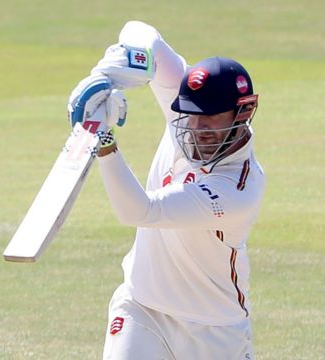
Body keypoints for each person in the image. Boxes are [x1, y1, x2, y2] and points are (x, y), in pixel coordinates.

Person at [68, 21, 265, 360]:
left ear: (244, 111)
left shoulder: (236, 189)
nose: (198, 128)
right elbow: (140, 32)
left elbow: (138, 212)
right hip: (141, 308)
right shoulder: (187, 101)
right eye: (190, 115)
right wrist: (107, 76)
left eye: (211, 118)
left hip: (213, 330)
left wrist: (104, 138)